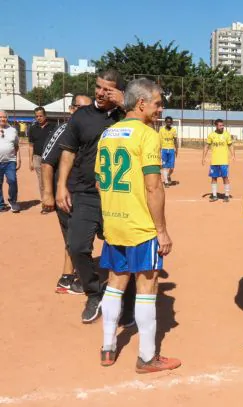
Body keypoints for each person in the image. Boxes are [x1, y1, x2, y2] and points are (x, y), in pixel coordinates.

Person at [96, 78, 180, 373]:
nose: (161, 108)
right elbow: (154, 187)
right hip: (140, 226)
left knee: (115, 284)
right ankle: (147, 357)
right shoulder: (147, 135)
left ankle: (108, 348)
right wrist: (162, 230)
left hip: (114, 225)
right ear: (141, 103)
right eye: (157, 103)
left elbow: (98, 181)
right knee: (147, 287)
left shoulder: (108, 133)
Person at [56, 70, 136, 324]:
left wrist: (125, 104)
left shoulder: (129, 116)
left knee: (124, 250)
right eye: (99, 87)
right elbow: (68, 152)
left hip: (118, 195)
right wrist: (61, 186)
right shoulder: (82, 115)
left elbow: (148, 134)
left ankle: (129, 301)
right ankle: (93, 292)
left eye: (107, 89)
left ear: (119, 92)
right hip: (86, 192)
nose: (101, 93)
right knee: (78, 245)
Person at [41, 94, 93, 294]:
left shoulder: (90, 129)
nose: (86, 113)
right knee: (77, 237)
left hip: (84, 192)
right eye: (81, 108)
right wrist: (48, 194)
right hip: (67, 194)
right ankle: (81, 278)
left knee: (72, 237)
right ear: (71, 109)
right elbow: (46, 162)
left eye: (89, 109)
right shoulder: (64, 129)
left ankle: (66, 277)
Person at [29, 106, 55, 211]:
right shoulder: (32, 129)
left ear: (45, 116)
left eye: (40, 116)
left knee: (51, 179)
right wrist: (30, 161)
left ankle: (53, 200)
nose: (39, 118)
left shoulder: (53, 127)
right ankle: (45, 203)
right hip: (37, 157)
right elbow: (31, 145)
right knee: (41, 181)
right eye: (36, 116)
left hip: (50, 157)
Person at [202, 119, 234, 202]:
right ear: (216, 126)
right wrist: (203, 157)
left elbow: (230, 145)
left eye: (223, 125)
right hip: (214, 161)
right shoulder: (211, 135)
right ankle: (214, 195)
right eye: (220, 125)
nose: (222, 127)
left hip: (224, 161)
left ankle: (226, 196)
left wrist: (233, 155)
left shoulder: (227, 134)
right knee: (214, 178)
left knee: (225, 177)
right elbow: (206, 146)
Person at [0, 110, 21, 213]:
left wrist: (18, 158)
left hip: (10, 161)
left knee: (12, 181)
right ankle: (1, 204)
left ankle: (13, 202)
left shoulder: (13, 130)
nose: (3, 119)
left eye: (4, 117)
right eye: (0, 117)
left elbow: (17, 145)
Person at [159, 116, 178, 187]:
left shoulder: (173, 130)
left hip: (171, 150)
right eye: (167, 122)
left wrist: (177, 150)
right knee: (164, 167)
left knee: (172, 168)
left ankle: (168, 175)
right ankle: (166, 182)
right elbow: (159, 140)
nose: (169, 123)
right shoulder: (161, 130)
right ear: (165, 122)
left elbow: (175, 140)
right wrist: (159, 150)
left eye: (170, 122)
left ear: (172, 122)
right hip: (163, 150)